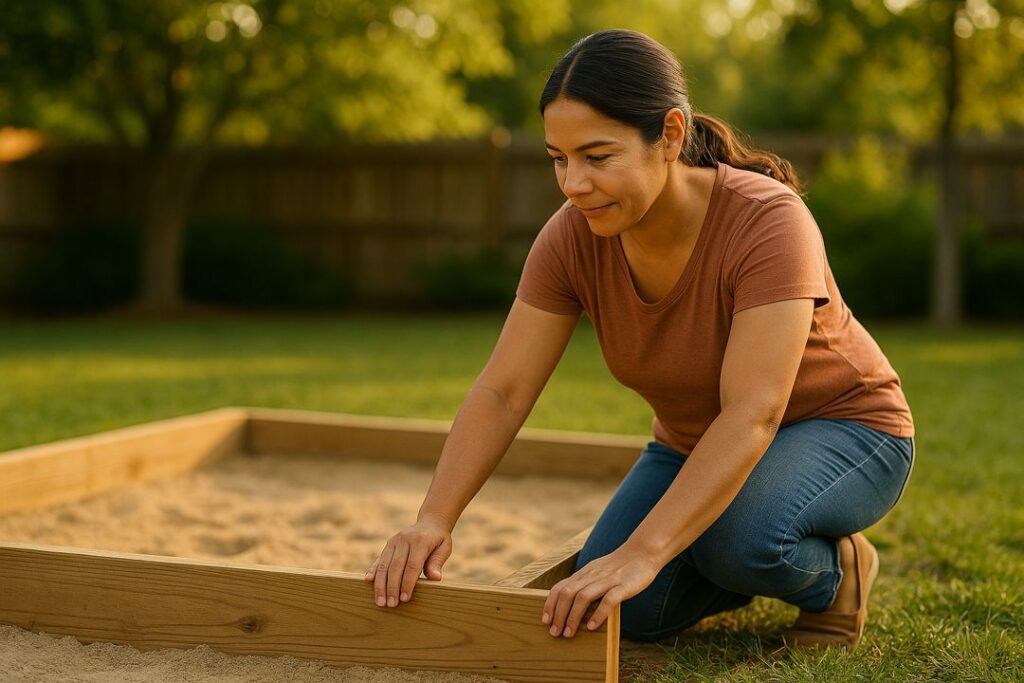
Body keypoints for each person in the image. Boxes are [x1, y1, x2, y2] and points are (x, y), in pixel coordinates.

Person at [364, 28, 915, 652]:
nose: (573, 183)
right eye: (557, 158)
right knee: (627, 612)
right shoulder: (572, 237)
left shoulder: (768, 221)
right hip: (693, 445)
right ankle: (722, 549)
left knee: (738, 537)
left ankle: (838, 572)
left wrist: (649, 548)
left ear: (671, 136)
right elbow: (503, 390)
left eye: (598, 158)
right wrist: (434, 518)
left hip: (845, 428)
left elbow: (755, 410)